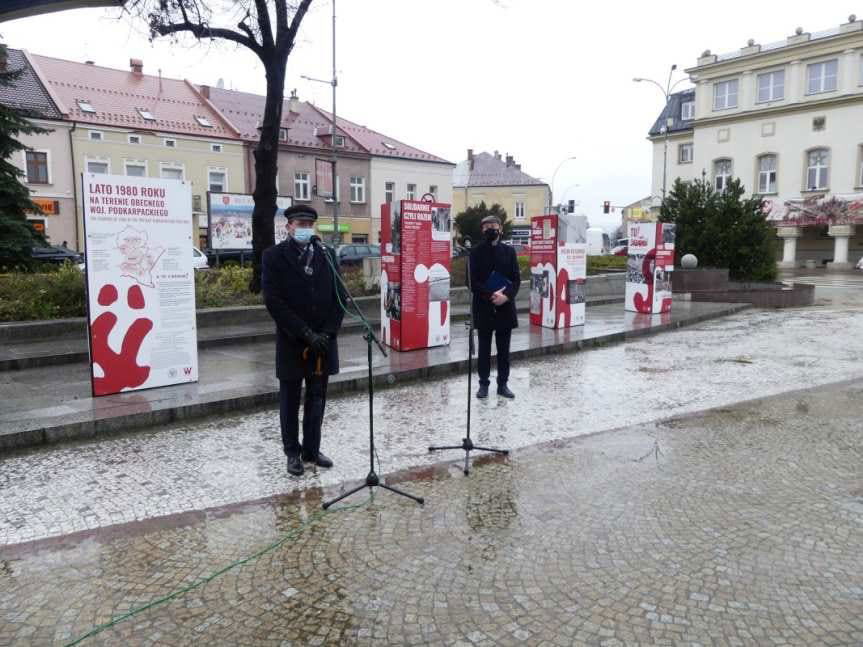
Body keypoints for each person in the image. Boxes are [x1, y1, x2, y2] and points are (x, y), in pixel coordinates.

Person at [262, 205, 344, 476]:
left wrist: (328, 333)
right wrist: (305, 333)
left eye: (309, 224)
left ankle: (312, 449)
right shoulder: (273, 256)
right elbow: (274, 301)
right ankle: (292, 453)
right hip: (293, 342)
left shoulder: (327, 254)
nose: (305, 228)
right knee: (290, 399)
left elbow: (340, 297)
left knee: (318, 398)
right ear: (288, 227)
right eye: (300, 223)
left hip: (323, 343)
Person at [469, 215, 520, 399]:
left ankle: (503, 384)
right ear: (482, 230)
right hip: (484, 307)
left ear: (500, 228)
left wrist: (505, 296)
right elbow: (471, 282)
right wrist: (490, 295)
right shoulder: (475, 252)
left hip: (505, 308)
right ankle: (483, 384)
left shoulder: (509, 252)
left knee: (504, 351)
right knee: (484, 350)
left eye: (494, 225)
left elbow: (516, 280)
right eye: (486, 226)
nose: (490, 228)